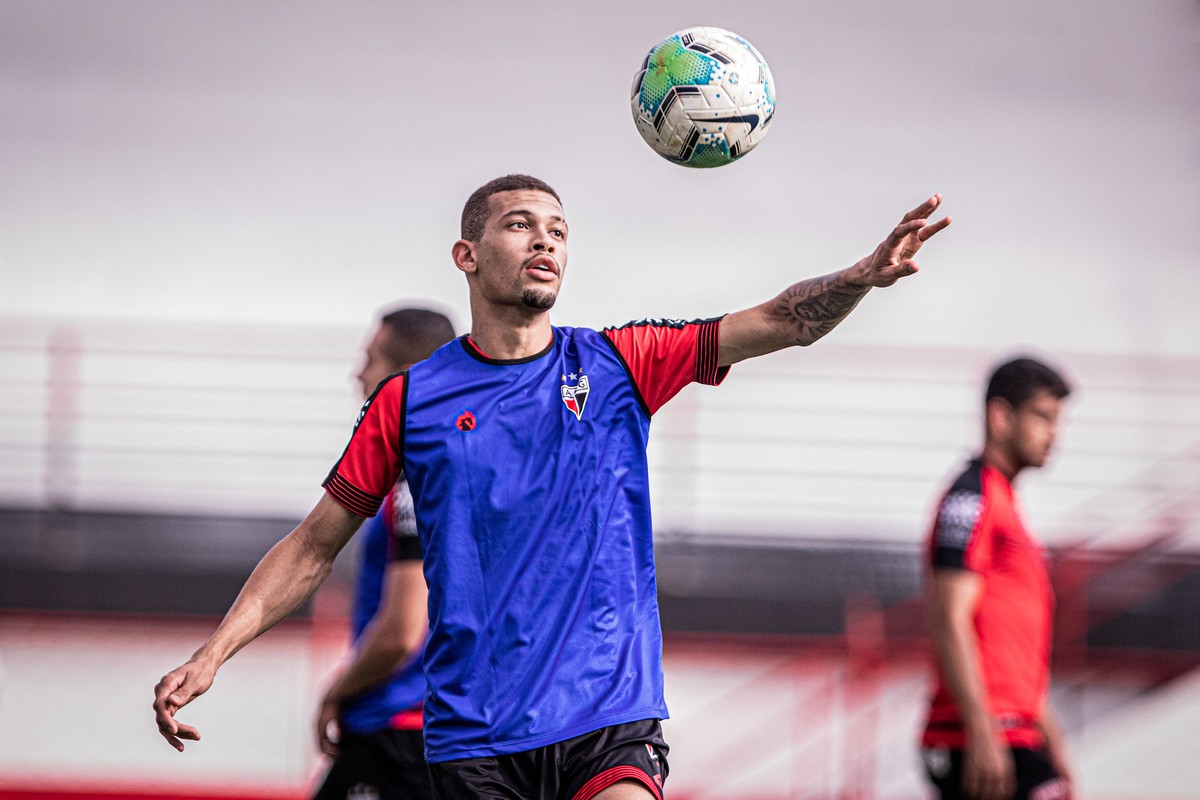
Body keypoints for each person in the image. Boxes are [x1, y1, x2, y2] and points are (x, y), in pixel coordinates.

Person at [154, 174, 950, 800]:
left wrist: (859, 278)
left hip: (608, 714)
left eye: (560, 230)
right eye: (521, 224)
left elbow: (782, 320)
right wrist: (214, 653)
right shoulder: (409, 402)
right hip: (474, 736)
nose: (547, 240)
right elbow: (311, 547)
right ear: (466, 256)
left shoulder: (616, 364)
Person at [313, 307, 455, 800]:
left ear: (403, 377)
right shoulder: (457, 465)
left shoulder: (414, 478)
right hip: (428, 729)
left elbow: (402, 630)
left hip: (397, 731)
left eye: (370, 359)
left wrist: (336, 691)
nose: (357, 372)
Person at [920, 357, 1074, 800]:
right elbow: (949, 617)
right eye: (1043, 418)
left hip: (1016, 731)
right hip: (980, 736)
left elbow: (1010, 647)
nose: (1054, 435)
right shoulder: (972, 498)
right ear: (1000, 416)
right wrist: (980, 730)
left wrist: (1051, 735)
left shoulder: (1005, 503)